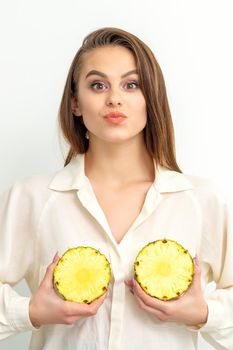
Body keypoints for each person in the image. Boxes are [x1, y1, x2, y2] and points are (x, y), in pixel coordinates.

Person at [0, 27, 232, 350]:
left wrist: (206, 313)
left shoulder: (203, 202)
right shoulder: (32, 198)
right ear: (75, 104)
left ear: (151, 98)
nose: (114, 98)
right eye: (97, 85)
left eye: (131, 84)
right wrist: (29, 312)